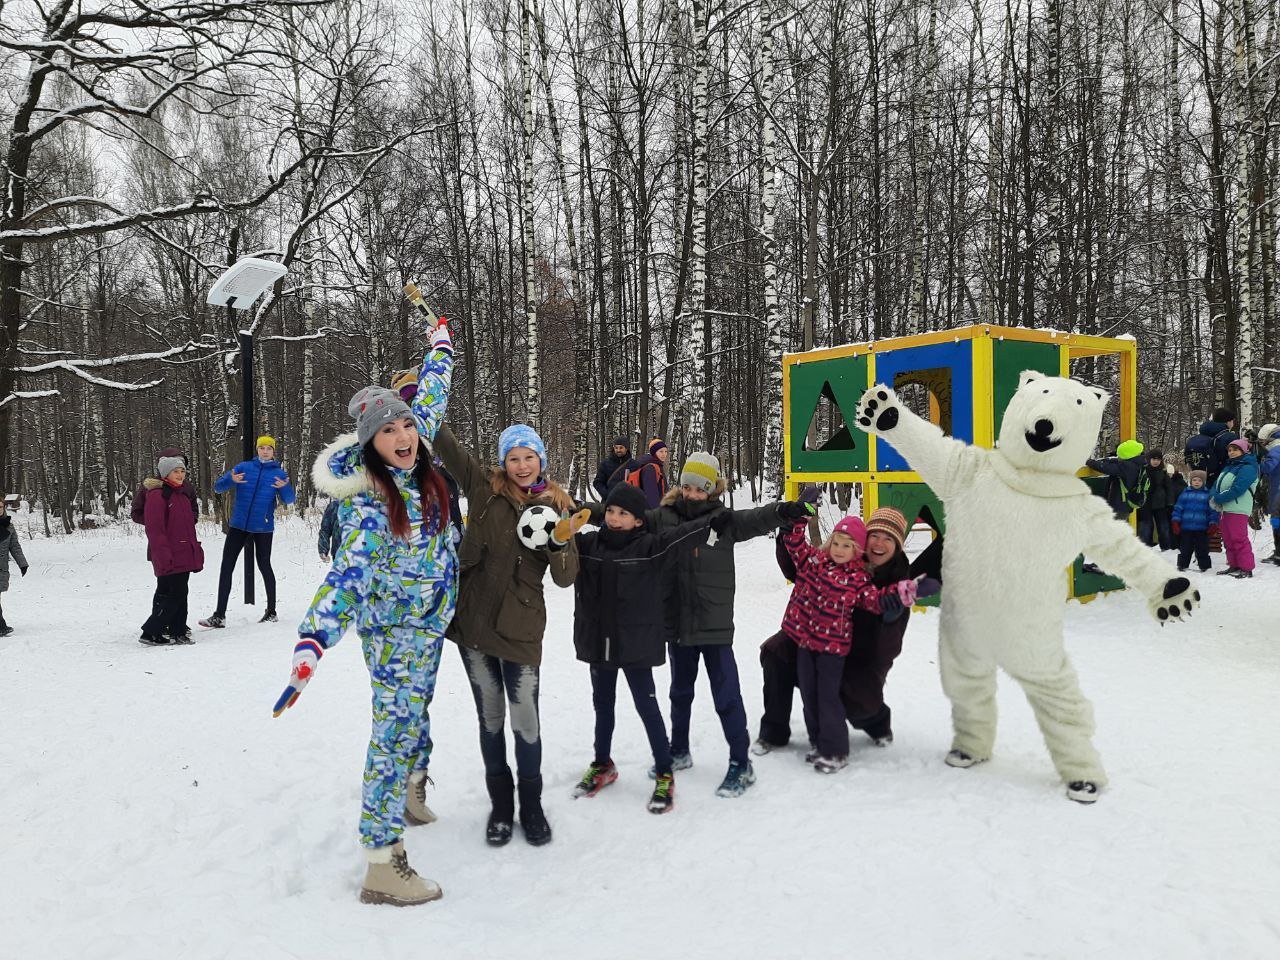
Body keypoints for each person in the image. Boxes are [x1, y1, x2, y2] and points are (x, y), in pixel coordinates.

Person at [274, 317, 457, 907]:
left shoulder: (415, 450)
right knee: (392, 732)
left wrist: (440, 343)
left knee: (418, 712)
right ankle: (382, 861)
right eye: (390, 430)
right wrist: (311, 643)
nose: (404, 434)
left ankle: (410, 788)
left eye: (407, 424)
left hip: (429, 625)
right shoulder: (370, 506)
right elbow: (346, 580)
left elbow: (432, 389)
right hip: (395, 634)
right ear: (367, 443)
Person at [627, 453, 810, 797]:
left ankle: (741, 764)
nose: (691, 493)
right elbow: (625, 517)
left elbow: (755, 518)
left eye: (699, 489)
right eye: (687, 486)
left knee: (726, 695)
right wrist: (585, 510)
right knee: (680, 692)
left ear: (712, 490)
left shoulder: (723, 521)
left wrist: (783, 511)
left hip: (714, 625)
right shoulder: (663, 517)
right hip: (677, 624)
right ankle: (678, 751)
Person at [432, 420, 579, 848]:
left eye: (528, 457)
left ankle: (531, 807)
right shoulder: (483, 489)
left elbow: (567, 578)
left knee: (525, 723)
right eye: (513, 458)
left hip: (521, 630)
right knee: (491, 719)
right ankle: (500, 807)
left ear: (541, 461)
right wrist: (422, 401)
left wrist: (561, 542)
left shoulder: (558, 507)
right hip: (474, 625)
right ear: (503, 461)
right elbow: (448, 445)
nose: (520, 465)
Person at [570, 483, 722, 814]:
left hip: (634, 645)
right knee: (602, 705)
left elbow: (681, 534)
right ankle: (602, 764)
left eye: (624, 513)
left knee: (647, 707)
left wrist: (714, 521)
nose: (614, 518)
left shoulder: (650, 547)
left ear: (639, 521)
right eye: (610, 510)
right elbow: (554, 540)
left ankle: (665, 771)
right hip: (600, 643)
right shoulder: (587, 543)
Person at [755, 505, 919, 754]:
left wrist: (888, 617)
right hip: (818, 640)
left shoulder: (896, 583)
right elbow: (799, 568)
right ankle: (774, 732)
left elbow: (888, 649)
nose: (879, 543)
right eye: (874, 535)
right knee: (777, 652)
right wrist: (788, 531)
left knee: (852, 699)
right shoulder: (845, 553)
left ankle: (876, 722)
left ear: (897, 546)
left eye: (888, 539)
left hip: (860, 659)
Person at [199, 436, 295, 627]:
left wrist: (285, 488)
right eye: (262, 448)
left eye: (269, 448)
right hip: (239, 525)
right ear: (257, 450)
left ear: (273, 452)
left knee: (264, 566)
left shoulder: (279, 474)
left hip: (263, 527)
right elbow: (218, 487)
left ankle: (271, 611)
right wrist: (230, 479)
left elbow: (289, 500)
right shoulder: (244, 467)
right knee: (227, 566)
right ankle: (219, 615)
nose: (265, 451)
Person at [139, 457, 205, 645]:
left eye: (182, 471)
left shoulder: (181, 495)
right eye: (176, 471)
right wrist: (162, 554)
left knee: (180, 592)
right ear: (165, 473)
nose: (180, 475)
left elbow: (186, 527)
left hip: (184, 552)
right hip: (170, 554)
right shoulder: (158, 495)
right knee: (176, 593)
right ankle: (151, 630)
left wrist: (195, 550)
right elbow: (155, 529)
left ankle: (177, 631)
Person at [1209, 437, 1259, 578]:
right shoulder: (1229, 466)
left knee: (1238, 538)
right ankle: (1234, 565)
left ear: (1244, 450)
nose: (1231, 452)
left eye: (1235, 449)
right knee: (1228, 538)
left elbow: (1238, 489)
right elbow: (1216, 485)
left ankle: (1246, 568)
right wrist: (1213, 495)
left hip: (1238, 508)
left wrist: (1217, 498)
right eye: (1230, 450)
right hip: (1225, 508)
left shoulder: (1248, 468)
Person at [1086, 439, 1147, 520]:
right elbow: (1117, 462)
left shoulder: (1127, 467)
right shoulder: (1138, 463)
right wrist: (1108, 460)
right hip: (1126, 505)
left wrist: (1090, 462)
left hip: (1119, 506)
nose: (1119, 457)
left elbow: (1106, 468)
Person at [1171, 470, 1218, 572]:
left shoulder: (1208, 495)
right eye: (1194, 480)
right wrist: (1175, 521)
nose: (1197, 482)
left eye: (1199, 480)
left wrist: (1213, 523)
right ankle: (1182, 565)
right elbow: (1178, 508)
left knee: (1202, 549)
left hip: (1202, 528)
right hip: (1186, 528)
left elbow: (1213, 511)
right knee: (1185, 548)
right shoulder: (1185, 494)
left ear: (1203, 482)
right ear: (1190, 481)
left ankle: (1204, 566)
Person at [1184, 408, 1240, 485]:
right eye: (1232, 420)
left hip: (1202, 480)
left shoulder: (1204, 433)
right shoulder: (1229, 437)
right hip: (1223, 480)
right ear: (1228, 421)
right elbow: (1237, 459)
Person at [0, 497, 29, 637]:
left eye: (0, 506)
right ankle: (1, 626)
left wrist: (22, 563)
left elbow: (14, 546)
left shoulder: (8, 526)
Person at [615, 438, 670, 509]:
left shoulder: (656, 465)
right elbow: (651, 495)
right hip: (649, 512)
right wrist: (657, 515)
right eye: (661, 451)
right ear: (654, 452)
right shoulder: (650, 468)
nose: (664, 454)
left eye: (666, 451)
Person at [1136, 449, 1173, 549]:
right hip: (1145, 503)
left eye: (1158, 459)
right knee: (1146, 526)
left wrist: (1170, 503)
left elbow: (1169, 488)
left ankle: (1166, 547)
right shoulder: (1143, 471)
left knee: (1163, 527)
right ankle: (1145, 546)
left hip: (1160, 503)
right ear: (1149, 459)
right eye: (1154, 459)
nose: (1156, 461)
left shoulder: (1163, 472)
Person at [1258, 424, 1280, 564]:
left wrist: (1256, 461)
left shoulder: (1276, 450)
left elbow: (1267, 467)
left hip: (1278, 491)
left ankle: (1279, 553)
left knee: (1276, 521)